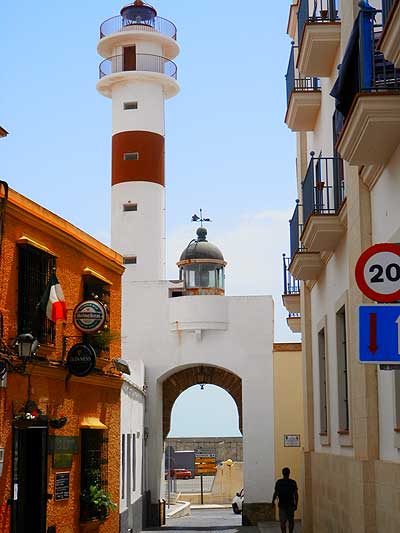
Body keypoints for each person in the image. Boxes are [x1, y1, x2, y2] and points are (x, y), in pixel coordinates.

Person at [272, 467, 298, 533]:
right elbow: (296, 494)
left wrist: (272, 501)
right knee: (291, 521)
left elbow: (276, 493)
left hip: (282, 505)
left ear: (282, 473)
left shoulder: (279, 482)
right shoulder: (293, 482)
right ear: (289, 473)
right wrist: (296, 504)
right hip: (290, 505)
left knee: (282, 522)